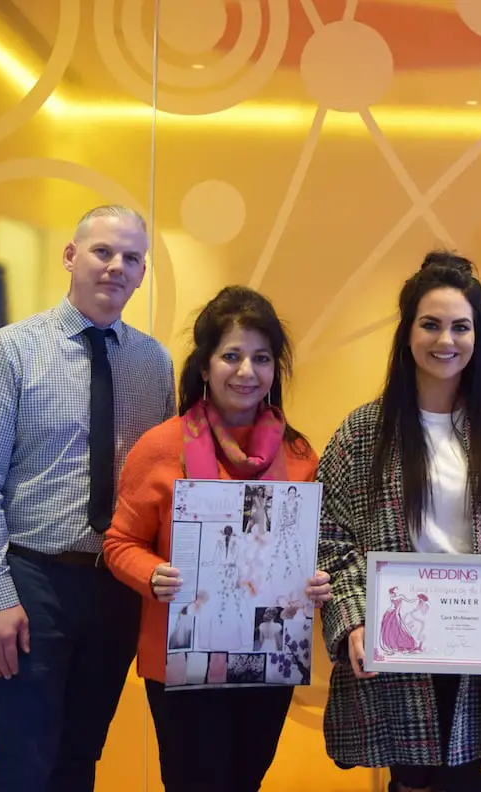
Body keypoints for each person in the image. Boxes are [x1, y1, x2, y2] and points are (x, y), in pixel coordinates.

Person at [316, 251, 481, 792]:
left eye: (461, 327)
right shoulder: (364, 433)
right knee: (409, 779)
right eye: (430, 324)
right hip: (398, 641)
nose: (446, 340)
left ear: (476, 338)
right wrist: (353, 621)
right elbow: (329, 537)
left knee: (474, 781)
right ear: (407, 333)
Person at [0, 205, 175, 791]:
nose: (116, 267)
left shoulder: (154, 365)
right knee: (23, 764)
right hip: (34, 584)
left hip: (116, 589)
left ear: (142, 272)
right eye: (103, 251)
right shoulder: (11, 351)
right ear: (71, 256)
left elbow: (162, 487)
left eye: (131, 258)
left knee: (80, 759)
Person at [100, 286, 333, 792]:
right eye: (231, 356)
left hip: (267, 662)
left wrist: (315, 581)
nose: (246, 372)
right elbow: (119, 543)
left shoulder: (298, 456)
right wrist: (151, 574)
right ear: (204, 367)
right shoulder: (161, 448)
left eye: (261, 358)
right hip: (184, 663)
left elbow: (306, 552)